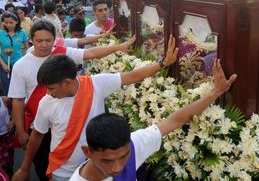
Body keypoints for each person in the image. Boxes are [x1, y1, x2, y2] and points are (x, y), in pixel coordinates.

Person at [12, 36, 178, 180]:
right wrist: (25, 168)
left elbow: (133, 76)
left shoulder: (95, 84)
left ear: (68, 82)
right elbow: (37, 136)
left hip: (97, 169)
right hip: (62, 171)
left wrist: (163, 63)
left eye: (52, 88)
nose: (48, 93)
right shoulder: (46, 102)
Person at [9, 20, 135, 181]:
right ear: (31, 40)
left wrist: (118, 47)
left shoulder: (62, 54)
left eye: (48, 40)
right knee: (42, 166)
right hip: (38, 126)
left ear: (55, 39)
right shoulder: (20, 65)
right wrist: (21, 132)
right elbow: (18, 101)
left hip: (66, 124)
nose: (44, 45)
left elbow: (91, 53)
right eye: (39, 41)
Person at [70, 60, 236, 181]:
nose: (117, 168)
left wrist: (216, 93)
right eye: (106, 161)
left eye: (123, 157)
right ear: (87, 152)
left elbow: (175, 120)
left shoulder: (133, 145)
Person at [0, 11, 29, 96]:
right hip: (5, 64)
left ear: (16, 22)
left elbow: (28, 48)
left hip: (19, 64)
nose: (8, 25)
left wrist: (25, 61)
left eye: (11, 22)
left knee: (20, 86)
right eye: (6, 22)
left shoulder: (22, 33)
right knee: (6, 87)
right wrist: (3, 65)